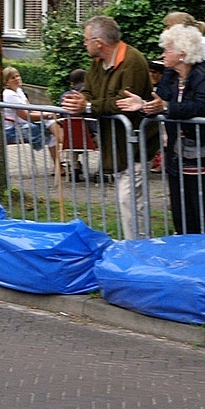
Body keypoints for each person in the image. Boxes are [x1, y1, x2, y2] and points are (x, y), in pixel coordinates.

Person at [118, 24, 205, 234]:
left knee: (204, 210)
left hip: (203, 152)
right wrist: (143, 105)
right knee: (180, 208)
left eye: (167, 50)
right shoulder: (169, 75)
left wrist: (167, 106)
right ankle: (185, 253)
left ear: (183, 53)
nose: (163, 54)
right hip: (177, 152)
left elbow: (202, 107)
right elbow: (160, 102)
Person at [62, 15, 152, 240]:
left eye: (86, 40)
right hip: (117, 144)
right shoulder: (97, 64)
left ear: (98, 42)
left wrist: (89, 105)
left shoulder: (132, 61)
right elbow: (90, 91)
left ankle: (139, 250)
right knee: (127, 200)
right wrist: (79, 101)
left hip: (136, 144)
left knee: (130, 200)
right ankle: (135, 247)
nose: (84, 44)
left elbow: (124, 102)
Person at [3, 67, 62, 171]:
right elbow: (26, 116)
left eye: (17, 76)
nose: (17, 79)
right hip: (12, 131)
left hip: (23, 126)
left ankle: (59, 165)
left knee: (50, 122)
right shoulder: (9, 95)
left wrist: (47, 113)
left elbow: (30, 110)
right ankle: (65, 144)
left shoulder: (19, 91)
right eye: (13, 78)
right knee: (49, 125)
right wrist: (46, 115)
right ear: (6, 82)